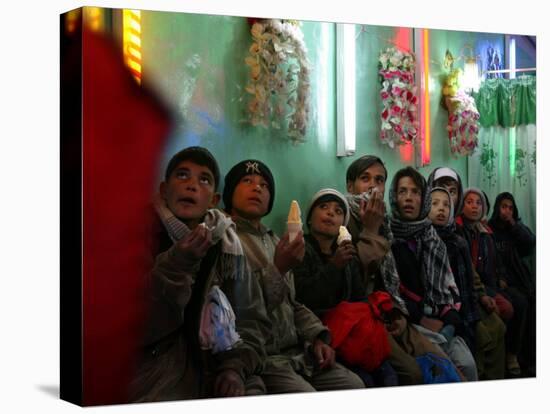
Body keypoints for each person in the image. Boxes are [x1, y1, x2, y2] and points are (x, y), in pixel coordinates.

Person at [131, 147, 271, 402]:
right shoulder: (136, 235)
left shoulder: (226, 242)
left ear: (214, 200)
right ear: (164, 190)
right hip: (157, 372)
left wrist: (234, 369)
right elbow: (133, 327)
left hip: (219, 365)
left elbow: (251, 318)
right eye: (182, 176)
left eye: (203, 179)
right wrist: (177, 265)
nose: (192, 186)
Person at [223, 159, 365, 393]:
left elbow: (292, 302)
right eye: (247, 181)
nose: (257, 188)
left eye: (264, 185)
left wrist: (317, 337)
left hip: (298, 350)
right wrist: (278, 269)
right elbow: (241, 312)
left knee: (355, 385)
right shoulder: (227, 240)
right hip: (262, 355)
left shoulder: (276, 240)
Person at [345, 156, 457, 385]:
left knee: (448, 366)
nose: (372, 186)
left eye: (379, 180)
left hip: (393, 312)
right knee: (414, 373)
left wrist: (399, 314)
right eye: (365, 179)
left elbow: (389, 283)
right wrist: (369, 230)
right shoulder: (343, 219)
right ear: (350, 186)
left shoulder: (385, 222)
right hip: (364, 316)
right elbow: (355, 283)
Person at [293, 188, 398, 387]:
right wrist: (334, 266)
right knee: (364, 381)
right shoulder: (300, 249)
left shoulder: (348, 254)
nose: (331, 213)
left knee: (389, 376)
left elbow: (359, 300)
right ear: (309, 219)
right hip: (321, 336)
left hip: (351, 334)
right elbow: (303, 297)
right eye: (324, 207)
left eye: (338, 211)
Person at [388, 166, 477, 381]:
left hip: (442, 316)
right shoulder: (389, 236)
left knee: (468, 364)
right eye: (402, 192)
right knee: (446, 371)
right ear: (393, 197)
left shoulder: (432, 239)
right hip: (411, 320)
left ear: (423, 198)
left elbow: (449, 284)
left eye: (416, 192)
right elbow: (390, 290)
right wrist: (421, 316)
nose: (409, 198)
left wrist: (449, 315)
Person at [430, 167, 506, 380]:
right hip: (444, 311)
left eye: (452, 192)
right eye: (440, 189)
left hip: (467, 302)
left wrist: (482, 295)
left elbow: (470, 274)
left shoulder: (457, 234)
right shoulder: (424, 236)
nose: (446, 198)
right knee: (483, 336)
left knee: (497, 326)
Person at [457, 187, 526, 377]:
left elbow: (497, 260)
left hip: (491, 283)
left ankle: (509, 356)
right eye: (469, 202)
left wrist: (501, 277)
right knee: (505, 309)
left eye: (478, 203)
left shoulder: (485, 232)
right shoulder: (458, 230)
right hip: (473, 287)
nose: (474, 207)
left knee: (520, 302)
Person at [427, 187, 480, 353]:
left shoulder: (458, 242)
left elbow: (468, 282)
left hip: (461, 307)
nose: (441, 208)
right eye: (434, 204)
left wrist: (471, 314)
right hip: (434, 312)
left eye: (446, 205)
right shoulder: (423, 239)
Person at [489, 192, 536, 376]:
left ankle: (528, 356)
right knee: (520, 303)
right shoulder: (489, 229)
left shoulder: (515, 227)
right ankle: (512, 355)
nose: (506, 211)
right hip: (500, 282)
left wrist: (513, 224)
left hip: (519, 281)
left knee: (532, 302)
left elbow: (530, 242)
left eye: (510, 207)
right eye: (503, 206)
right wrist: (500, 277)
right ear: (497, 208)